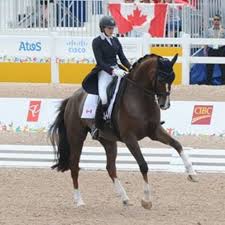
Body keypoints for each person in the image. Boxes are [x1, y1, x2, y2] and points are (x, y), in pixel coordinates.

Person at [82, 15, 131, 139]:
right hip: (104, 71)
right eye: (109, 28)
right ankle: (98, 124)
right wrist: (112, 71)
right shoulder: (97, 41)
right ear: (103, 28)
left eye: (112, 28)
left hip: (118, 69)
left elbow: (122, 57)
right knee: (103, 97)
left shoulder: (115, 40)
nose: (111, 30)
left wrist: (131, 68)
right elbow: (100, 61)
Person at [204, 14, 225, 85]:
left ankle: (223, 83)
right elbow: (205, 41)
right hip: (211, 50)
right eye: (215, 19)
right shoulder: (209, 31)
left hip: (221, 50)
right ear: (213, 21)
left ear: (220, 21)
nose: (216, 21)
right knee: (209, 67)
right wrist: (205, 50)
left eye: (218, 20)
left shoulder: (223, 31)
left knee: (223, 68)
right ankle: (208, 83)